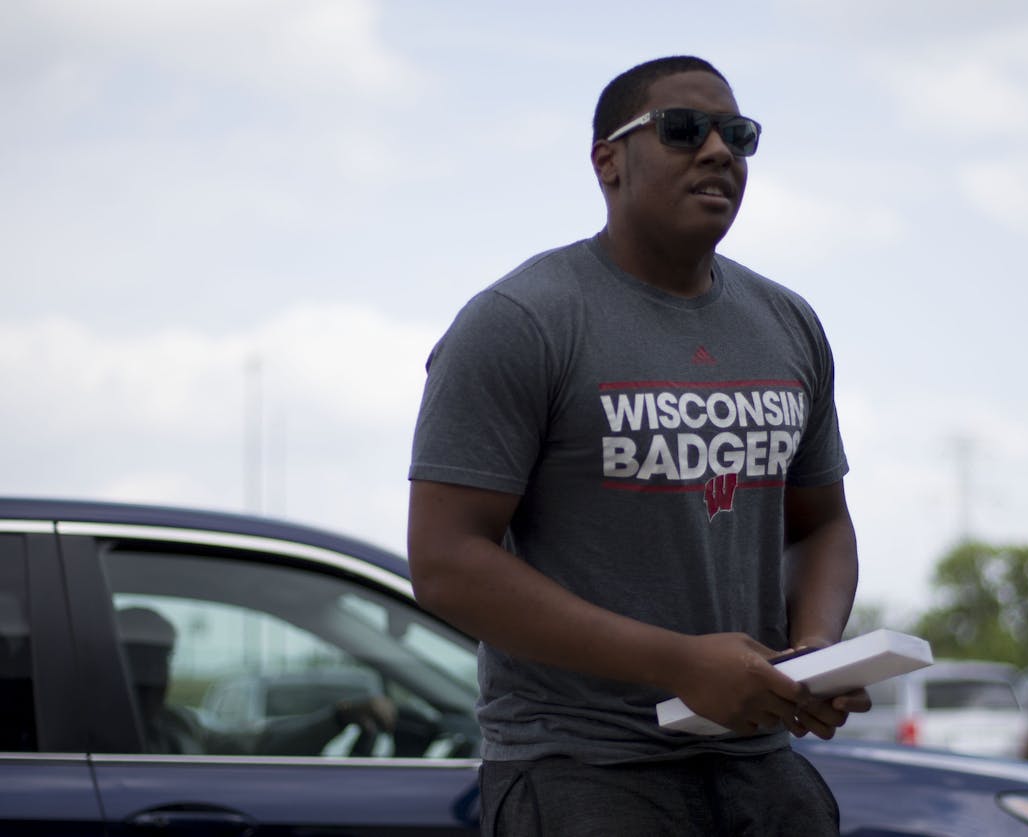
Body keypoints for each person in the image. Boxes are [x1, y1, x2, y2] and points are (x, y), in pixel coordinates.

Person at [407, 55, 865, 836]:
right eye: (684, 129)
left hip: (760, 768)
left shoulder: (787, 322)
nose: (718, 150)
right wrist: (680, 664)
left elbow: (820, 520)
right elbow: (447, 563)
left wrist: (813, 651)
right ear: (607, 161)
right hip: (584, 772)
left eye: (738, 134)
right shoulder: (522, 320)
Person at [117, 606, 396, 756]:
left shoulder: (176, 726)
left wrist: (338, 717)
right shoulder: (89, 739)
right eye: (144, 664)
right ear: (117, 666)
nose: (156, 677)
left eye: (164, 661)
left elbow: (257, 745)